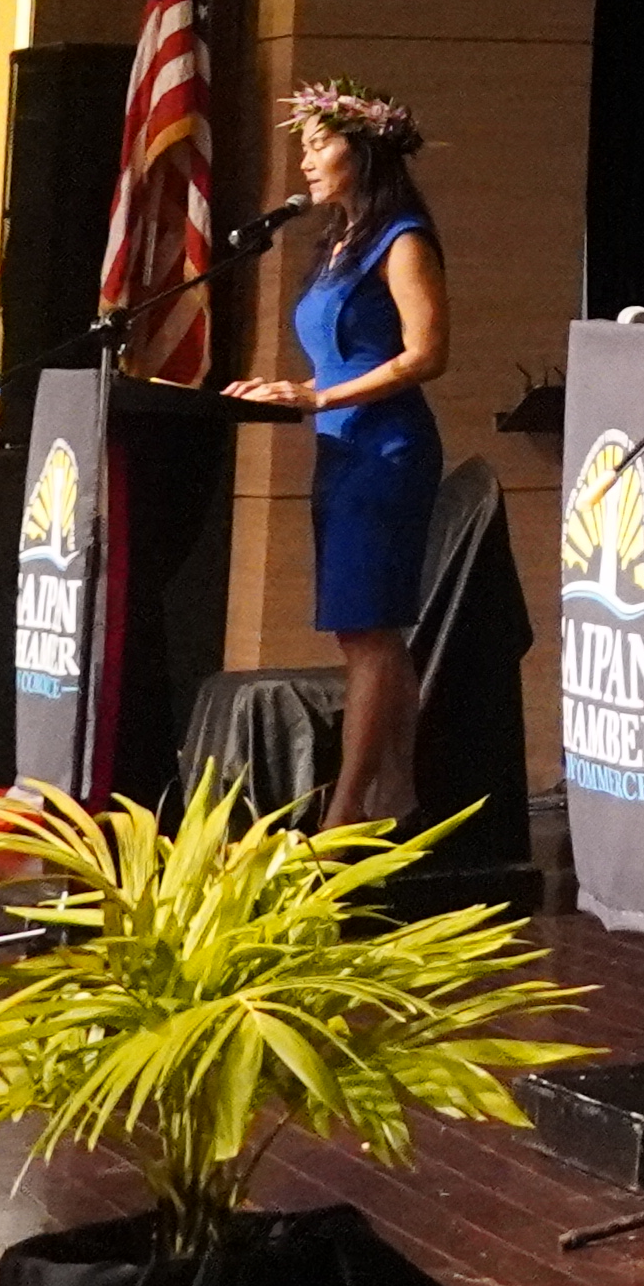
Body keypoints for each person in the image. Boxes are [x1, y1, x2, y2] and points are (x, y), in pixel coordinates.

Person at [226, 81, 447, 825]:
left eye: (320, 144)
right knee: (366, 631)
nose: (307, 160)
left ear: (367, 150)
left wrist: (320, 398)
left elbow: (426, 355)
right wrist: (291, 388)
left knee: (369, 632)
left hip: (387, 451)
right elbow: (346, 358)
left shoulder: (403, 238)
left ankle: (345, 814)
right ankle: (401, 792)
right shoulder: (336, 246)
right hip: (340, 451)